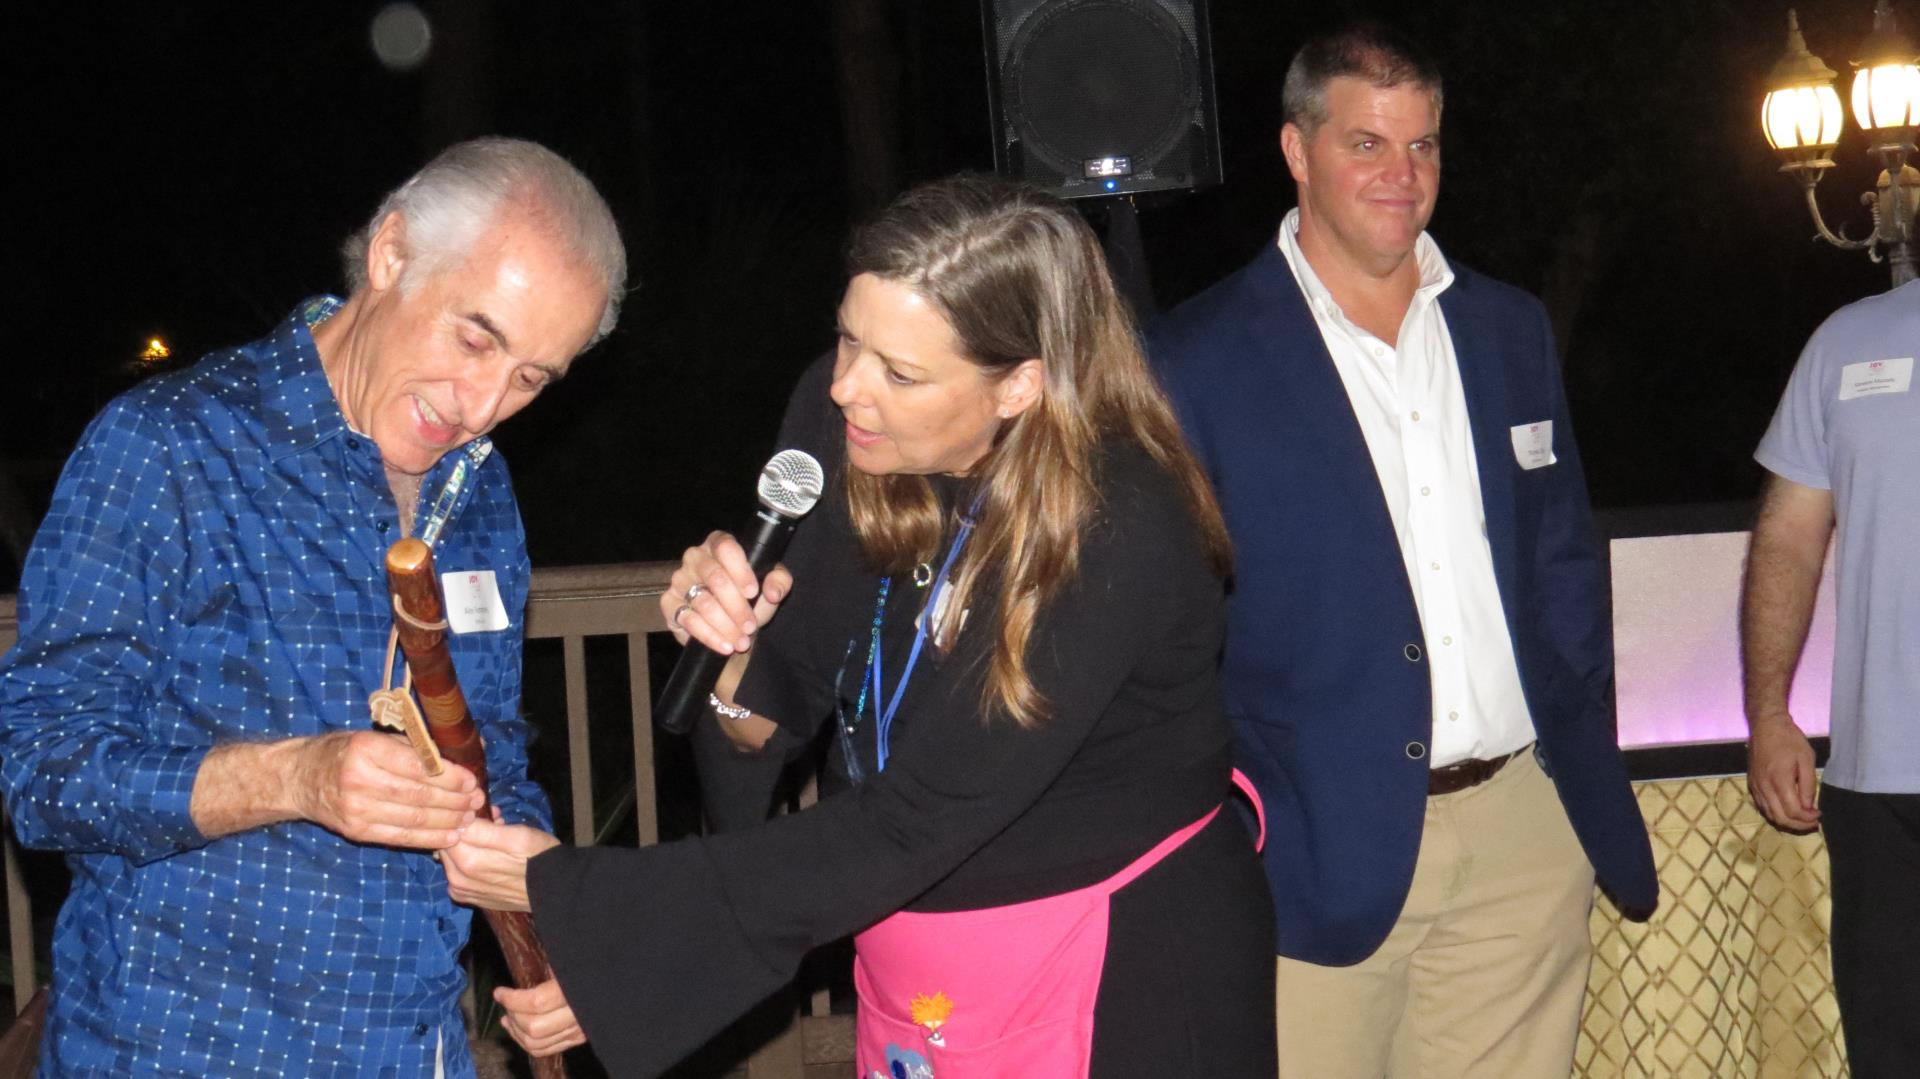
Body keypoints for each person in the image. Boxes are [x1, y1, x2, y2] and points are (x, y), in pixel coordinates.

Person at [441, 174, 1277, 1077]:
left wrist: (605, 926)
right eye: (848, 337)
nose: (847, 388)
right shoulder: (846, 422)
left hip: (1119, 966)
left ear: (1020, 386)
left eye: (901, 373)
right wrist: (731, 659)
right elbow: (778, 710)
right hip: (916, 957)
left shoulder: (1118, 523)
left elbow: (921, 816)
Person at [0, 136, 624, 1076]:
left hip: (415, 1049)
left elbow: (488, 750)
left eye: (532, 377)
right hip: (184, 1051)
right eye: (477, 338)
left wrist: (548, 908)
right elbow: (42, 768)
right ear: (392, 253)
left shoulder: (483, 494)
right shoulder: (168, 446)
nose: (484, 404)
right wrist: (297, 778)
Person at [1148, 22, 1657, 1077]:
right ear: (1297, 151)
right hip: (1307, 851)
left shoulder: (1508, 328)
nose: (1403, 173)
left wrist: (1570, 724)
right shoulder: (1192, 359)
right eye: (1368, 144)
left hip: (1520, 835)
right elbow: (1168, 626)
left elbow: (1561, 556)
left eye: (1422, 144)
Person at [1742, 277, 1920, 1078]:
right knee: (1889, 1052)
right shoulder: (1847, 342)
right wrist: (1769, 712)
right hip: (1878, 790)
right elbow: (1789, 537)